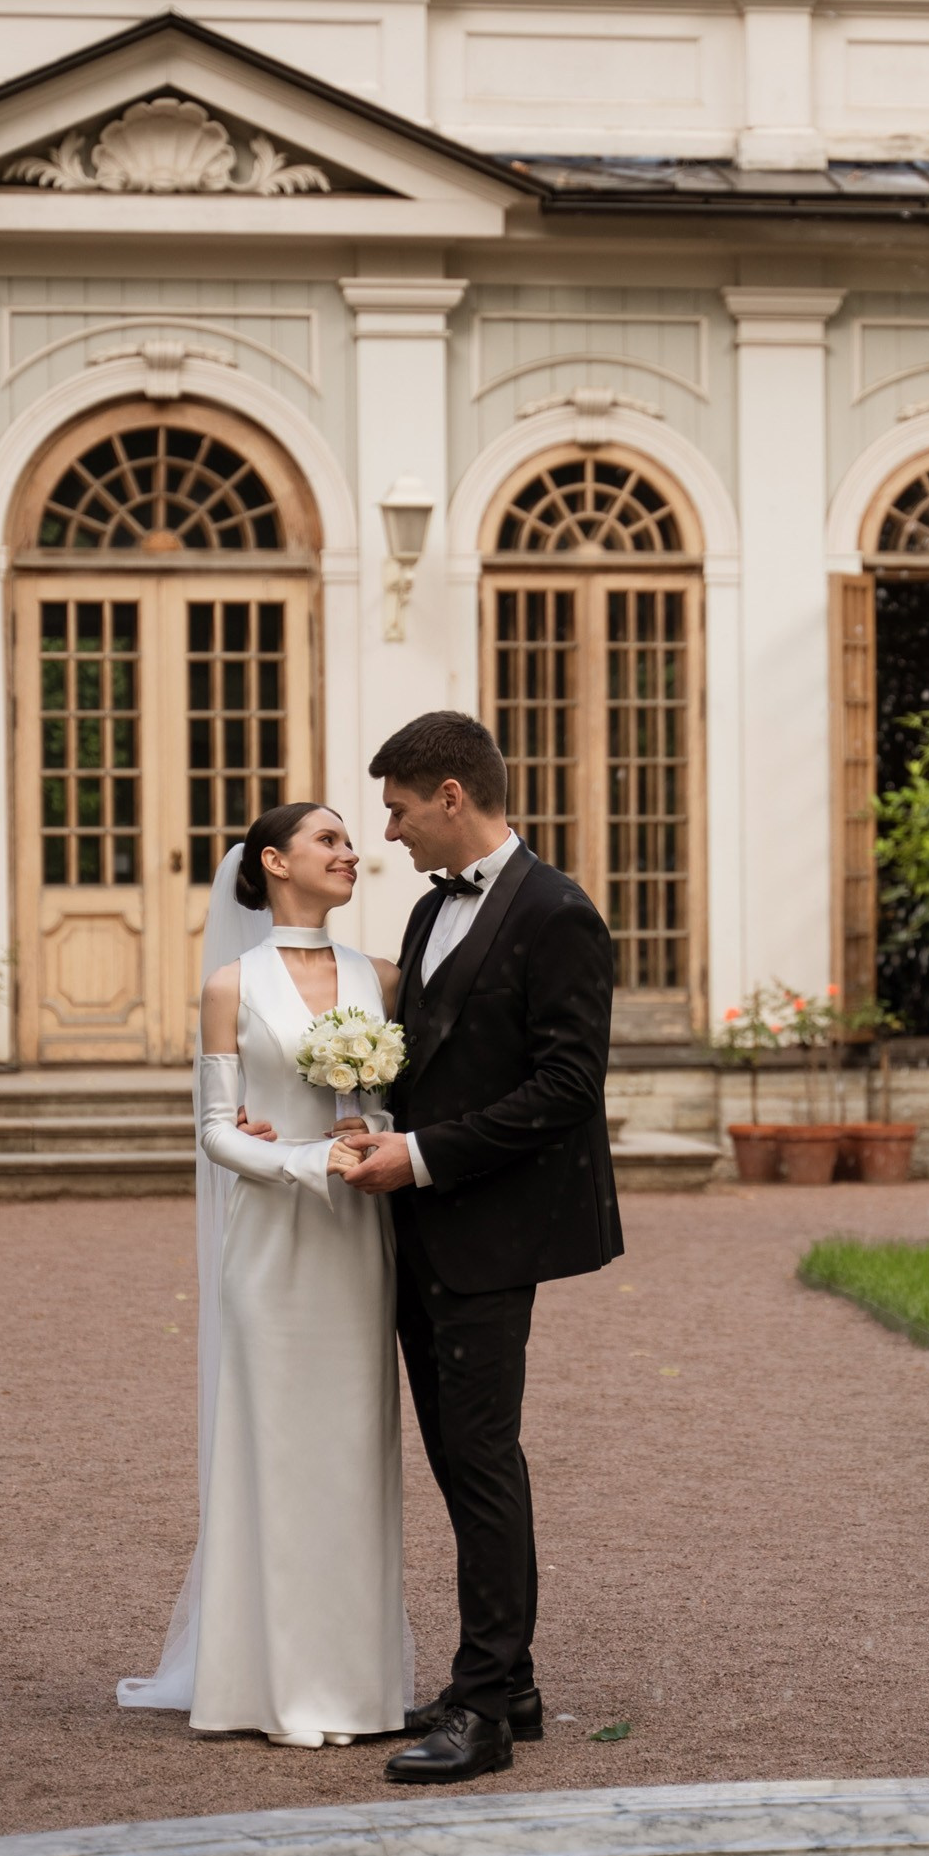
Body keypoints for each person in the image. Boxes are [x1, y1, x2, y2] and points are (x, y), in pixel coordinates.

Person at [336, 711, 621, 1784]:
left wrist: (422, 1155)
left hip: (492, 1224)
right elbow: (431, 1059)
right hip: (425, 1217)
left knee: (483, 1460)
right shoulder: (424, 912)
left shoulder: (557, 911)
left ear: (451, 795)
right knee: (460, 1456)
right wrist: (374, 1123)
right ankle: (513, 1682)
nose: (391, 832)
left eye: (401, 809)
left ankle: (487, 1711)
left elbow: (565, 1087)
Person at [116, 802, 410, 1748]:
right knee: (273, 1452)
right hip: (270, 1246)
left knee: (354, 1453)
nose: (350, 852)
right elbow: (211, 1129)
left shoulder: (384, 978)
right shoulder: (229, 985)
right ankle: (267, 1685)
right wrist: (296, 1159)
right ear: (275, 861)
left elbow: (390, 1101)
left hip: (357, 1244)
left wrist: (367, 1135)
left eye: (350, 840)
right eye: (329, 840)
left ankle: (359, 1685)